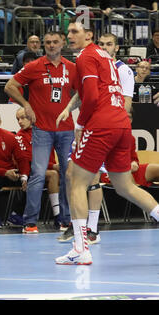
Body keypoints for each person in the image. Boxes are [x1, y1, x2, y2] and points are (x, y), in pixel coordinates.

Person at [55, 17, 159, 265]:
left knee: (75, 181)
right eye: (68, 31)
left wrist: (80, 125)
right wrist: (70, 108)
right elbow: (91, 90)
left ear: (88, 35)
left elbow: (90, 95)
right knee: (125, 187)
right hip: (121, 123)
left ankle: (81, 248)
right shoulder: (103, 56)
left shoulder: (84, 57)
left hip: (101, 124)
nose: (69, 36)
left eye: (74, 31)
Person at [56, 32, 135, 244]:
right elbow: (84, 92)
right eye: (102, 43)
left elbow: (125, 105)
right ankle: (78, 227)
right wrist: (68, 108)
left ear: (117, 48)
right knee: (71, 174)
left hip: (104, 127)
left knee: (94, 178)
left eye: (110, 44)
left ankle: (91, 229)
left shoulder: (123, 70)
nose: (105, 47)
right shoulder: (96, 60)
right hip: (91, 124)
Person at [5, 31, 77, 234]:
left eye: (55, 42)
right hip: (42, 129)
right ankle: (30, 222)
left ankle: (65, 220)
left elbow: (82, 91)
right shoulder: (34, 66)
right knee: (37, 174)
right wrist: (26, 104)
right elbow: (10, 86)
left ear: (62, 43)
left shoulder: (71, 68)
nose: (51, 45)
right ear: (43, 45)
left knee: (68, 175)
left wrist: (71, 108)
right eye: (48, 43)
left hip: (66, 129)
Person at [15, 108, 65, 230]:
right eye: (18, 119)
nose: (20, 122)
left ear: (32, 117)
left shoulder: (44, 133)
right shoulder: (19, 136)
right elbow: (28, 160)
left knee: (69, 173)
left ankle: (74, 216)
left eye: (23, 118)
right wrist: (52, 166)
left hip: (47, 168)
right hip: (30, 170)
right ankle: (58, 216)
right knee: (53, 174)